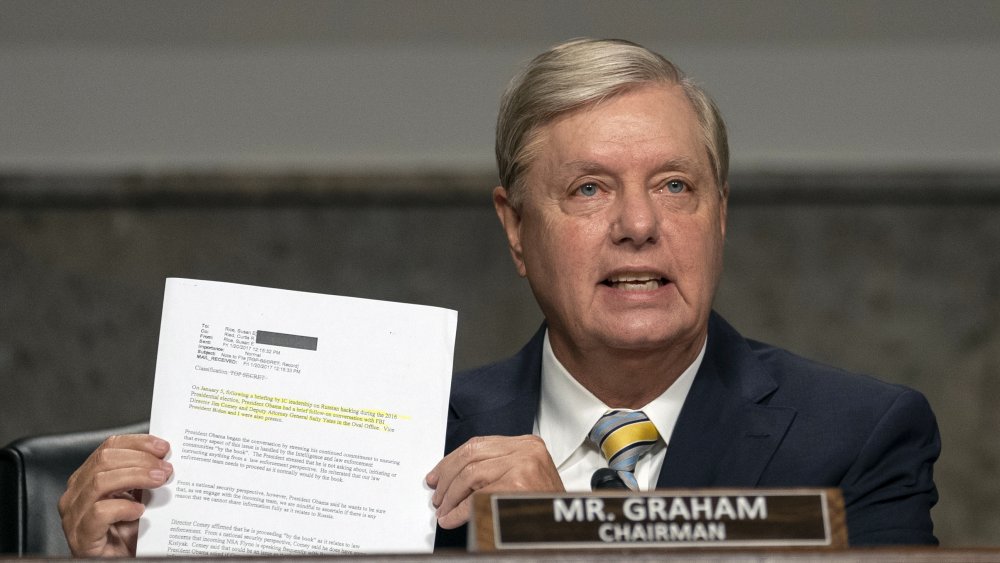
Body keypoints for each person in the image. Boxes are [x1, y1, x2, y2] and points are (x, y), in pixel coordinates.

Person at [58, 38, 940, 556]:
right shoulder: (398, 439)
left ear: (719, 216)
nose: (638, 224)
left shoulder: (857, 437)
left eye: (675, 185)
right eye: (590, 189)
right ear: (515, 227)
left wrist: (559, 533)